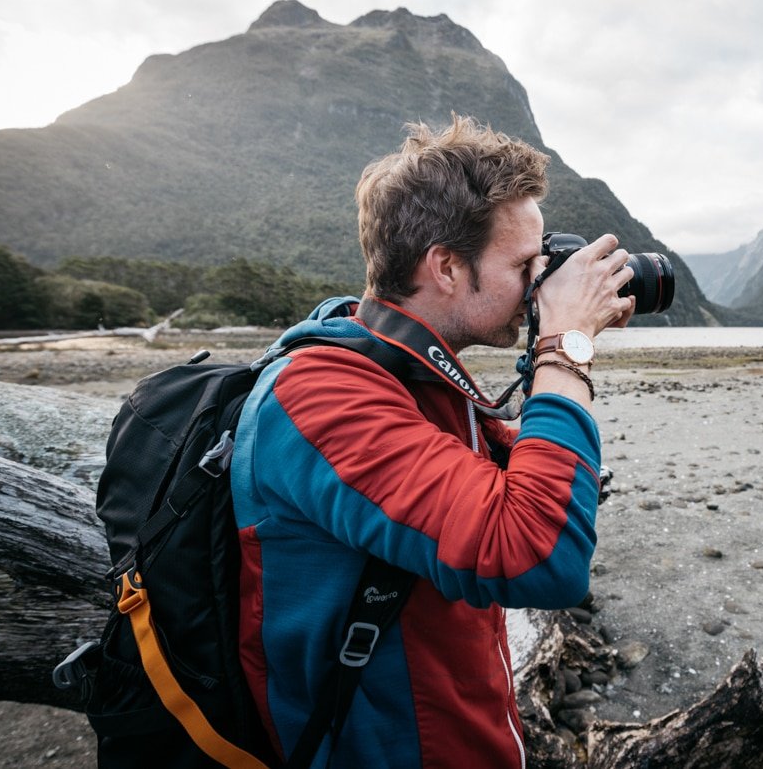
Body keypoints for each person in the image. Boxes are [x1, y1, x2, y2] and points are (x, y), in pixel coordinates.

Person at [230, 114, 634, 767]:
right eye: (525, 264)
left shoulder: (409, 373)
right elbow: (540, 552)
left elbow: (532, 484)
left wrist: (561, 339)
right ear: (446, 266)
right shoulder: (320, 396)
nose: (541, 283)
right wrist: (568, 344)